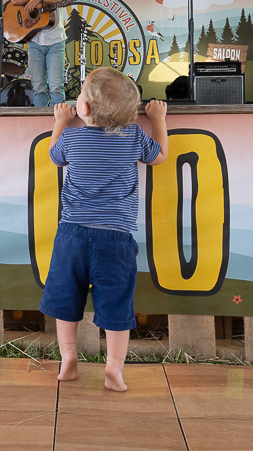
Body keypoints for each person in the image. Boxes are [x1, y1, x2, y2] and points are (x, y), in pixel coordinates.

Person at [40, 67, 168, 392]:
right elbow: (161, 156)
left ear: (82, 109)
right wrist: (158, 119)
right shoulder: (135, 136)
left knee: (67, 298)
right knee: (115, 302)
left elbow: (54, 158)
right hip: (117, 238)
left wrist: (59, 122)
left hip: (72, 234)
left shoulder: (71, 136)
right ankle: (114, 367)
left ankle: (68, 357)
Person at [10, 0, 67, 106]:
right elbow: (14, 0)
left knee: (56, 86)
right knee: (38, 87)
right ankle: (42, 120)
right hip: (34, 43)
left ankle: (58, 122)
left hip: (56, 42)